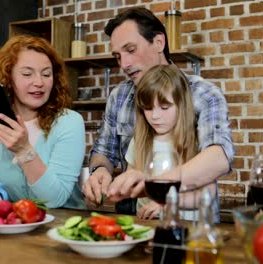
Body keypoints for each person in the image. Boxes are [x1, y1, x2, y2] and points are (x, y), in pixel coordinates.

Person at [82, 7, 234, 215]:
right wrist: (99, 172)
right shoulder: (119, 96)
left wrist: (157, 188)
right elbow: (104, 151)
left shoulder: (204, 93)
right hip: (135, 221)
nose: (124, 64)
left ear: (159, 42)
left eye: (131, 49)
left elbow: (219, 157)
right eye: (118, 56)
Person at [0, 35, 86, 209]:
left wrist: (24, 150)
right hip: (14, 229)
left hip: (62, 227)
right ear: (8, 78)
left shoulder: (69, 122)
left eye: (46, 74)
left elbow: (54, 200)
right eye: (27, 74)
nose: (39, 82)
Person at [124, 64, 219, 221]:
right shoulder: (138, 141)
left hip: (188, 228)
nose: (155, 116)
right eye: (148, 108)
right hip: (149, 228)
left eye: (164, 107)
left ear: (181, 105)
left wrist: (169, 202)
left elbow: (208, 192)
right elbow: (131, 181)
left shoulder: (199, 140)